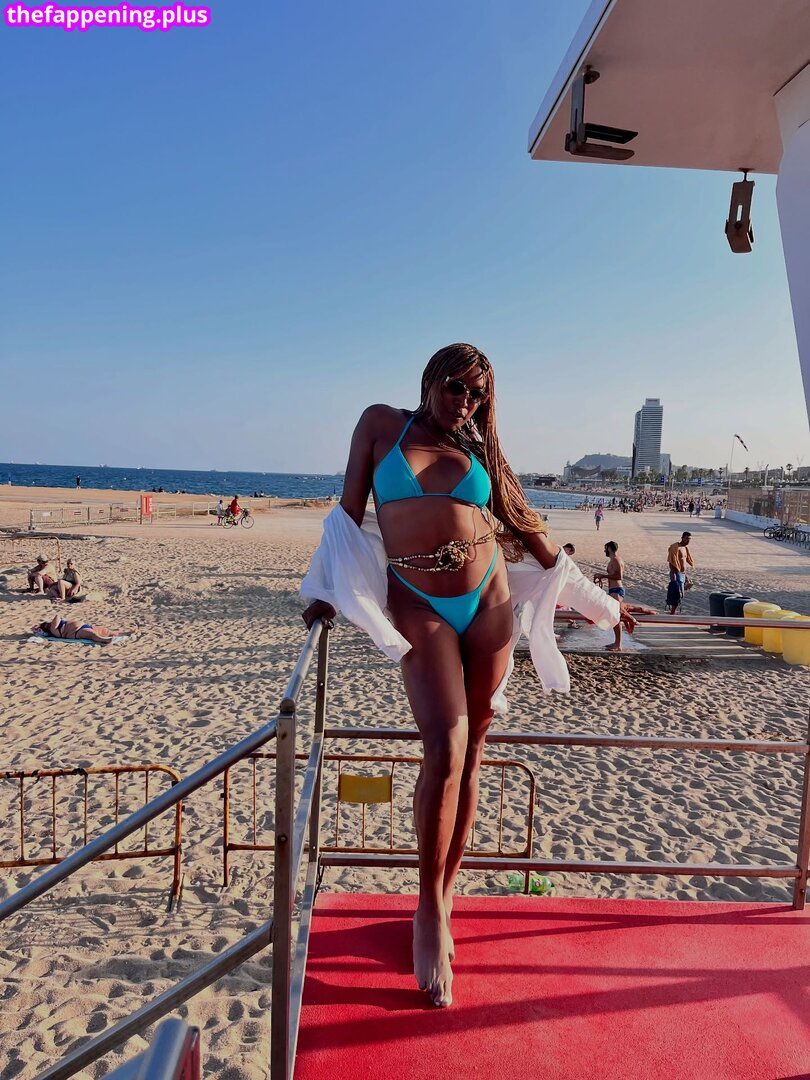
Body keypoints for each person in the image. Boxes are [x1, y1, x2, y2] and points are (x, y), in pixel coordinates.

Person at [300, 344, 636, 1008]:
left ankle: (446, 895)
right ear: (431, 378)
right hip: (417, 600)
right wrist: (322, 592)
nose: (465, 401)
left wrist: (604, 605)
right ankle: (426, 906)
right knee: (445, 747)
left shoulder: (482, 451)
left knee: (474, 749)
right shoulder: (379, 425)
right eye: (457, 386)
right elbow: (346, 519)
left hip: (489, 601)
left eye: (478, 395)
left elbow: (534, 536)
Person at [594, 541, 625, 651]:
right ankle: (616, 642)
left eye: (605, 548)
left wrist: (603, 576)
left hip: (617, 590)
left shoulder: (616, 560)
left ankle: (618, 645)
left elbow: (619, 576)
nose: (604, 550)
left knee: (616, 617)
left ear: (610, 549)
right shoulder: (613, 560)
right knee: (613, 616)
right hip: (613, 590)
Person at [37, 615, 122, 644]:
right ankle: (104, 640)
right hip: (77, 632)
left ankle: (124, 633)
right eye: (47, 625)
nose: (50, 624)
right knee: (92, 635)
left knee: (107, 631)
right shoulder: (54, 629)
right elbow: (57, 616)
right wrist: (40, 627)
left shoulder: (55, 627)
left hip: (84, 626)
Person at [667, 531, 694, 613]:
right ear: (682, 538)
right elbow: (671, 561)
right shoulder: (675, 547)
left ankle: (673, 611)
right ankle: (672, 612)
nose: (688, 541)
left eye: (689, 539)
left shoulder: (685, 548)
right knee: (676, 593)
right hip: (676, 573)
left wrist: (685, 575)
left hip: (682, 573)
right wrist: (673, 574)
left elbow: (684, 561)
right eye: (686, 538)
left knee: (681, 593)